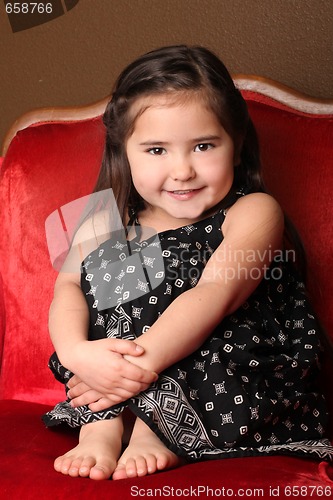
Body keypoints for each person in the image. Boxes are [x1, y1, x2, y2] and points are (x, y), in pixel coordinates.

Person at [43, 45, 333, 481]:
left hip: (225, 365)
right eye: (156, 150)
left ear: (235, 147)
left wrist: (133, 372)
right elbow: (67, 289)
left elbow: (213, 295)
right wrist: (77, 353)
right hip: (119, 369)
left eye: (202, 146)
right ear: (125, 153)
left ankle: (155, 430)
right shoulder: (106, 220)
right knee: (103, 305)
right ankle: (102, 426)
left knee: (197, 328)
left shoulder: (253, 211)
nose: (182, 170)